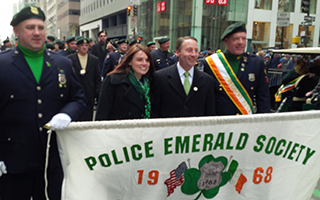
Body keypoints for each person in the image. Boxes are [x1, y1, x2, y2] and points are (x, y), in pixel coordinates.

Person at [0, 6, 86, 199]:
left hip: (51, 160)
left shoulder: (62, 64)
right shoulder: (3, 65)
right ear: (17, 31)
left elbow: (78, 98)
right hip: (12, 160)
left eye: (41, 27)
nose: (37, 33)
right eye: (30, 27)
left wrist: (67, 113)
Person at [203, 22, 270, 115]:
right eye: (236, 39)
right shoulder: (211, 63)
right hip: (220, 123)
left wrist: (263, 123)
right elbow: (208, 99)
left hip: (245, 122)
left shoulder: (256, 63)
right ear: (226, 41)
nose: (241, 42)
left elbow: (263, 97)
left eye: (243, 38)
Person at [152, 36, 216, 118]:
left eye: (196, 51)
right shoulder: (160, 78)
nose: (193, 54)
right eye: (189, 50)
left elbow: (210, 115)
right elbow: (155, 112)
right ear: (177, 52)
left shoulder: (207, 81)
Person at [96, 45, 155, 120]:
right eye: (139, 60)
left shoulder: (151, 81)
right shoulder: (114, 80)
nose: (144, 63)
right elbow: (102, 112)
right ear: (130, 62)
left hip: (145, 129)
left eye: (147, 60)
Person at [67, 37, 101, 121]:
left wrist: (98, 93)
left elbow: (97, 78)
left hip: (89, 93)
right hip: (74, 93)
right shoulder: (70, 59)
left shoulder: (94, 60)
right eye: (82, 45)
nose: (84, 47)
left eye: (86, 45)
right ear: (77, 47)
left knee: (87, 118)